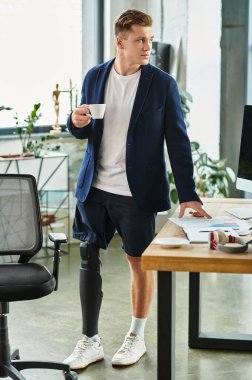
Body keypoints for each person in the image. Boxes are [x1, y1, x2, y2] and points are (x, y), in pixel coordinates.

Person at [64, 9, 211, 371]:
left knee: (138, 261)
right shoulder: (95, 77)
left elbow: (177, 141)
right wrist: (74, 122)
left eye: (149, 39)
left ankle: (136, 335)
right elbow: (85, 130)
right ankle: (90, 340)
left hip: (137, 192)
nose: (149, 46)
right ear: (121, 41)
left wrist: (188, 194)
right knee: (88, 258)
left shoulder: (161, 84)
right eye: (141, 39)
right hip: (95, 187)